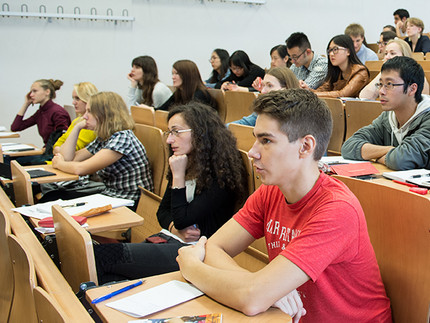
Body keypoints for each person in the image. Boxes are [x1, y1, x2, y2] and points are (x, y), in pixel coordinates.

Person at [177, 89, 392, 322]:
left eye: (266, 140)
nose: (252, 152)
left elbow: (251, 299)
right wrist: (263, 288)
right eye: (256, 138)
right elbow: (214, 249)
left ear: (305, 147)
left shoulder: (337, 209)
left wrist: (191, 266)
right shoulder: (271, 191)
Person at [94, 102, 247, 284]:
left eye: (176, 132)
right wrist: (174, 228)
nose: (169, 140)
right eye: (169, 132)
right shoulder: (185, 161)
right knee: (111, 276)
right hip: (172, 239)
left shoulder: (221, 171)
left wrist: (179, 176)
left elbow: (184, 219)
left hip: (198, 253)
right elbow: (163, 212)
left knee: (102, 256)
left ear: (199, 132)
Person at [50, 92, 153, 209]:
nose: (84, 116)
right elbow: (69, 158)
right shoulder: (104, 137)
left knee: (59, 202)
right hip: (112, 196)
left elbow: (81, 169)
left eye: (89, 111)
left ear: (104, 114)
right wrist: (77, 128)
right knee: (54, 196)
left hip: (130, 203)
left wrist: (60, 164)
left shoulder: (122, 138)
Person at [342, 56, 430, 170]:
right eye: (380, 84)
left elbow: (400, 160)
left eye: (389, 84)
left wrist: (374, 155)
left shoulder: (427, 117)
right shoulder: (388, 117)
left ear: (412, 89)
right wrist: (389, 150)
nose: (381, 91)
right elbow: (348, 147)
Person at [360, 39, 430, 99]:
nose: (387, 57)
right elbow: (365, 98)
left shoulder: (418, 77)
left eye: (392, 53)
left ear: (404, 56)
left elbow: (422, 107)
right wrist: (384, 72)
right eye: (386, 53)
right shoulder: (385, 76)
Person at [230, 67, 299, 126]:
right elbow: (238, 125)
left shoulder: (299, 115)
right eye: (263, 85)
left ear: (286, 88)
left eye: (270, 85)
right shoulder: (265, 110)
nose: (263, 91)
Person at [304, 34, 369, 98]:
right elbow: (322, 90)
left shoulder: (361, 71)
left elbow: (342, 94)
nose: (331, 54)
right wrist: (307, 90)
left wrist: (311, 94)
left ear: (348, 51)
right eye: (330, 50)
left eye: (335, 50)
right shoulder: (336, 71)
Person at [11, 79, 71, 147]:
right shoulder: (41, 111)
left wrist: (46, 150)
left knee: (9, 157)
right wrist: (26, 104)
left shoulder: (57, 112)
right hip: (47, 151)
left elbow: (62, 139)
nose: (31, 95)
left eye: (35, 91)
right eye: (31, 92)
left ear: (47, 92)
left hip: (53, 153)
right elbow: (15, 127)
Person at [53, 82, 98, 154]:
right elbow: (58, 142)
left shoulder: (89, 125)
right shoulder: (77, 121)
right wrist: (60, 150)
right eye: (73, 98)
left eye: (77, 98)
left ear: (88, 99)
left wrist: (59, 150)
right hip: (59, 161)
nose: (73, 102)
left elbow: (69, 152)